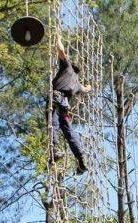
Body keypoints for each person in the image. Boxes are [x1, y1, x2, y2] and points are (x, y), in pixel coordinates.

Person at [51, 33, 92, 174]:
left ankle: (54, 150)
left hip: (56, 98)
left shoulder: (67, 67)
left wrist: (58, 39)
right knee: (69, 131)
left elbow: (61, 51)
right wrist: (89, 86)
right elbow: (86, 89)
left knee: (53, 123)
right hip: (65, 104)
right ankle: (80, 157)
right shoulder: (77, 84)